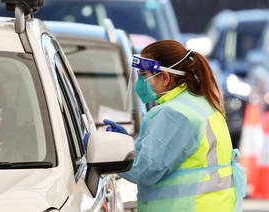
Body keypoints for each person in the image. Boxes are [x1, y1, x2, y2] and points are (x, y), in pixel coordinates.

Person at [104, 40, 247, 211]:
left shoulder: (174, 114)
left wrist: (111, 154)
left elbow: (144, 170)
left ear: (164, 77)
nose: (139, 83)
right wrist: (128, 145)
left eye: (143, 76)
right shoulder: (200, 103)